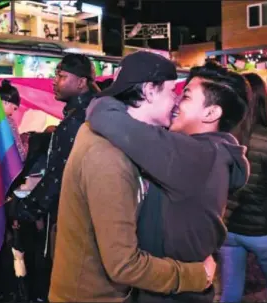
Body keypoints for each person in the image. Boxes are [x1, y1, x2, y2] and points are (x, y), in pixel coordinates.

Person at [50, 52, 218, 302]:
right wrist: (196, 275)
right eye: (172, 91)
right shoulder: (108, 155)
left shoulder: (125, 141)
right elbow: (123, 265)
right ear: (150, 90)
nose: (175, 101)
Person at [84, 58, 251, 303]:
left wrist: (122, 86)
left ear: (211, 112)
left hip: (170, 294)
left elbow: (102, 114)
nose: (174, 102)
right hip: (182, 289)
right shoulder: (215, 153)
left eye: (185, 96)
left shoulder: (193, 155)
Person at [8, 54, 99, 300]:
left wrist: (25, 209)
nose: (53, 81)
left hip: (75, 217)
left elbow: (59, 178)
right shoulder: (87, 113)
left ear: (81, 82)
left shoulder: (77, 121)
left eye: (61, 76)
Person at [218, 73, 267, 303]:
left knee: (230, 291)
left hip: (228, 227)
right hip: (266, 229)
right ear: (264, 100)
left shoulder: (221, 136)